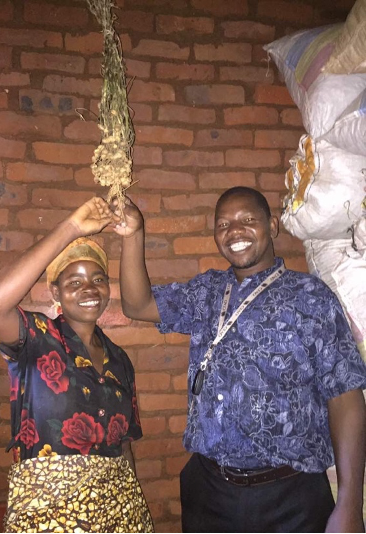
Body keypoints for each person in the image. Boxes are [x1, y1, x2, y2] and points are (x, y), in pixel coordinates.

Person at [112, 186, 366, 534]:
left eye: (248, 220)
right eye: (223, 224)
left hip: (292, 496)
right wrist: (134, 234)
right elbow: (137, 305)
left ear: (272, 225)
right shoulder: (207, 292)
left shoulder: (311, 298)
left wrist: (350, 504)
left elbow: (346, 398)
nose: (234, 231)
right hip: (210, 492)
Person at [0, 197, 154, 534]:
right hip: (47, 513)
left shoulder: (119, 360)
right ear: (54, 291)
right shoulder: (37, 337)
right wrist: (71, 227)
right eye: (74, 282)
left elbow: (125, 446)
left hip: (118, 512)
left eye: (98, 279)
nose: (89, 289)